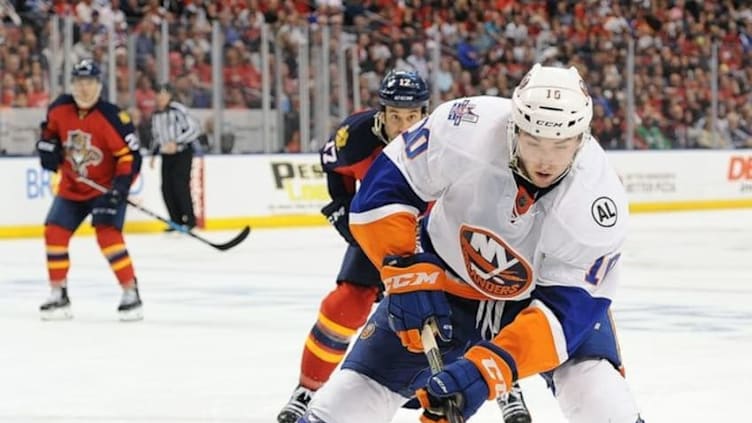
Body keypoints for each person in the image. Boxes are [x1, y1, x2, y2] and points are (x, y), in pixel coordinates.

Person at [301, 63, 644, 423]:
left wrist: (488, 370)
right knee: (343, 405)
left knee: (603, 400)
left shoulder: (599, 202)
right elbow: (387, 187)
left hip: (537, 303)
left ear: (582, 138)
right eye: (533, 141)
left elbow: (564, 315)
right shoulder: (464, 125)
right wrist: (403, 266)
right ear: (514, 127)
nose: (546, 159)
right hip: (446, 285)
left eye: (561, 145)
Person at [276, 70, 431, 423]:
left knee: (445, 312)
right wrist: (342, 206)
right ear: (382, 113)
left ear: (425, 113)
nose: (404, 126)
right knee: (344, 305)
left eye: (412, 117)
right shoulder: (357, 136)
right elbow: (332, 164)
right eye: (395, 116)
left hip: (435, 232)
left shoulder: (446, 139)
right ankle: (307, 389)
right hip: (378, 224)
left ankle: (492, 388)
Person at [36, 59, 143, 321]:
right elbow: (49, 134)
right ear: (72, 84)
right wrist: (47, 148)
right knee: (54, 232)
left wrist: (120, 187)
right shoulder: (59, 109)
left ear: (99, 85)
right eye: (79, 82)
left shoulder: (113, 117)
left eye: (90, 83)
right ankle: (58, 293)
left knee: (107, 236)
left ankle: (131, 292)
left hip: (104, 190)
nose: (84, 89)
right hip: (72, 188)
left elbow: (130, 157)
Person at [149, 83, 201, 231]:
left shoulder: (177, 111)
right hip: (166, 155)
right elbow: (156, 136)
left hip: (182, 153)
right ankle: (175, 220)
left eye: (163, 95)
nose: (160, 98)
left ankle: (189, 220)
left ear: (169, 96)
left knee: (180, 186)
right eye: (158, 95)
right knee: (166, 188)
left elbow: (195, 128)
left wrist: (177, 142)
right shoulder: (156, 114)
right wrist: (154, 154)